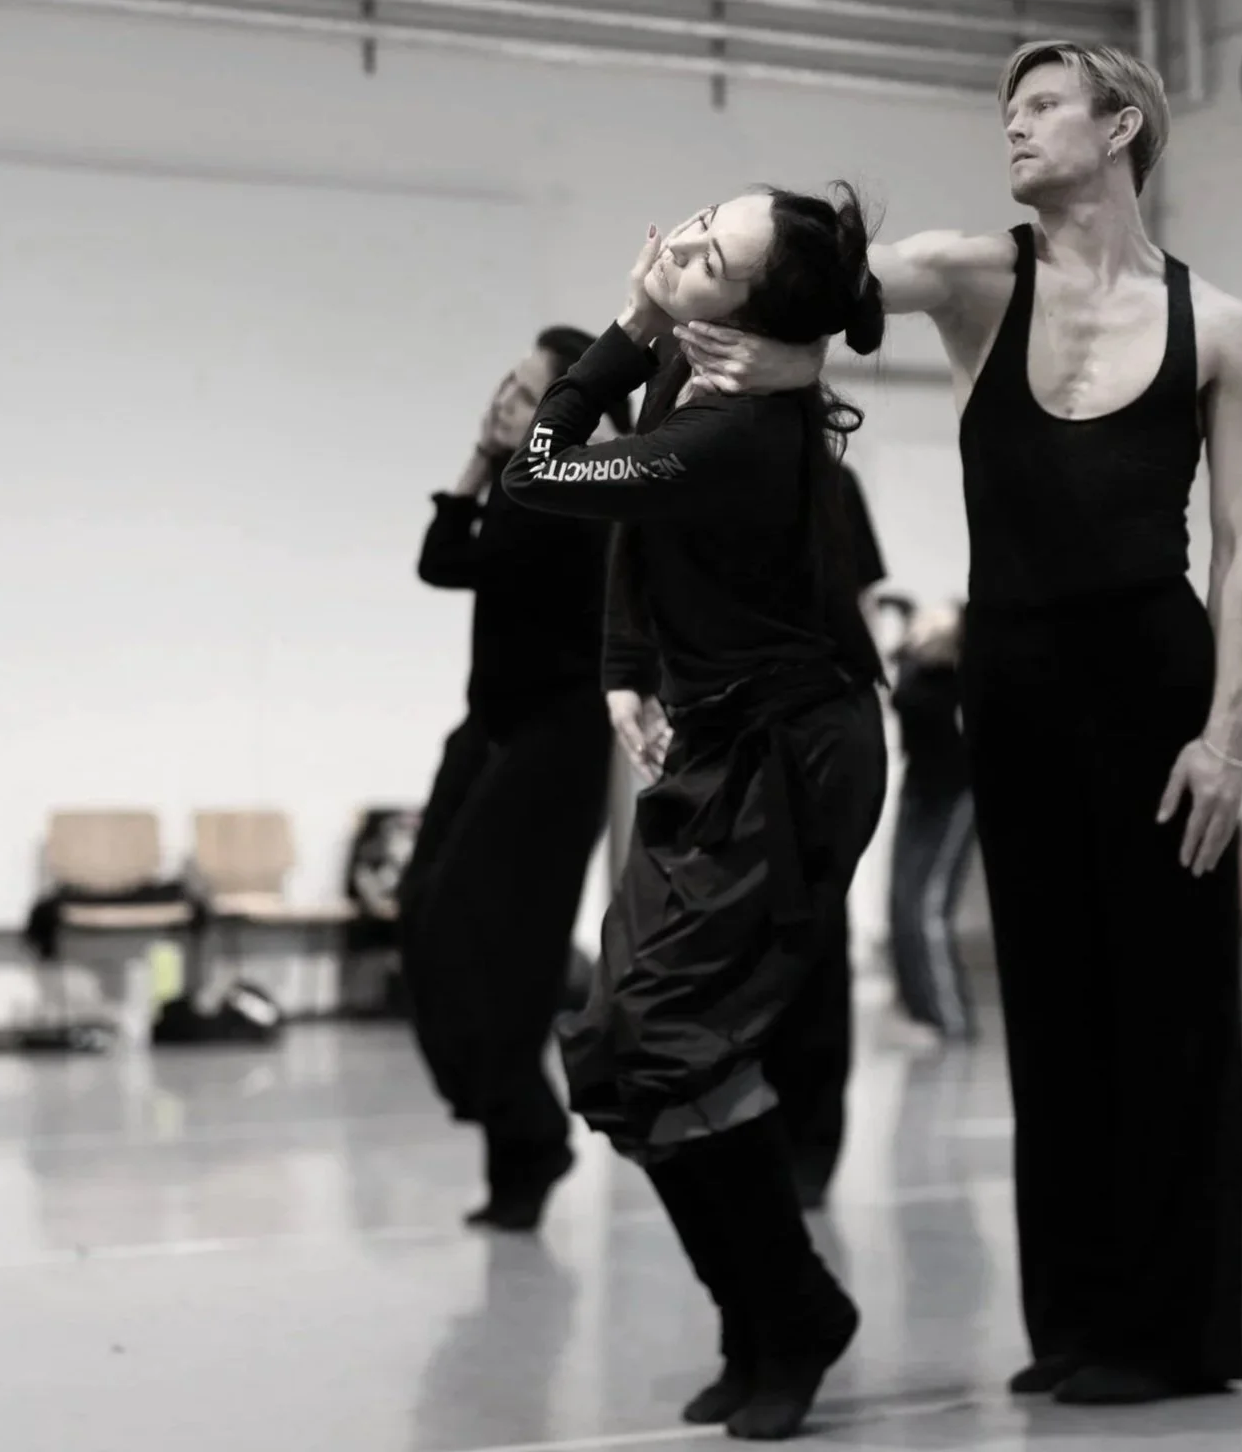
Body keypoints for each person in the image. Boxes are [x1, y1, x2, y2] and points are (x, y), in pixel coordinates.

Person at [672, 40, 1242, 1407]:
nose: (1014, 128)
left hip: (1154, 676)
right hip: (1011, 675)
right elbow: (826, 282)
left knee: (1169, 1010)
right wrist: (709, 266)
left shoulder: (1225, 329)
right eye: (1005, 110)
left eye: (1044, 105)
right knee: (1053, 1007)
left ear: (1122, 123)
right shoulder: (968, 275)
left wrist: (1227, 734)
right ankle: (1072, 1321)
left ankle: (1174, 1337)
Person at [502, 182, 889, 1442]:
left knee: (673, 1039)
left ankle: (793, 1313)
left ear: (748, 309)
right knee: (619, 1047)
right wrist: (627, 666)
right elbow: (635, 536)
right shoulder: (706, 391)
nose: (673, 246)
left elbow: (542, 470)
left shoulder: (737, 428)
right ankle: (760, 1317)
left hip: (788, 764)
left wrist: (620, 327)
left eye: (706, 252)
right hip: (718, 748)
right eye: (691, 224)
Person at [396, 328, 624, 1233]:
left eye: (527, 396)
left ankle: (524, 1143)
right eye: (507, 384)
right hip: (488, 729)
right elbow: (439, 562)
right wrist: (482, 455)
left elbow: (463, 558)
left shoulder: (567, 497)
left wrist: (513, 458)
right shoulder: (521, 481)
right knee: (423, 916)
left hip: (557, 741)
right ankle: (517, 1133)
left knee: (502, 952)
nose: (503, 402)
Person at [766, 459, 888, 1212]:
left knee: (811, 935)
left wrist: (855, 713)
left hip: (816, 723)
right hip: (728, 724)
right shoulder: (696, 461)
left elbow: (863, 601)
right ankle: (744, 1136)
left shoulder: (831, 483)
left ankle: (808, 1148)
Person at [884, 600, 976, 1040]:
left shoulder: (951, 670)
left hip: (955, 792)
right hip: (919, 790)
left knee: (928, 908)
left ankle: (951, 1021)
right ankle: (920, 1013)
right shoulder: (914, 666)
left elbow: (911, 693)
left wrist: (929, 635)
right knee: (902, 903)